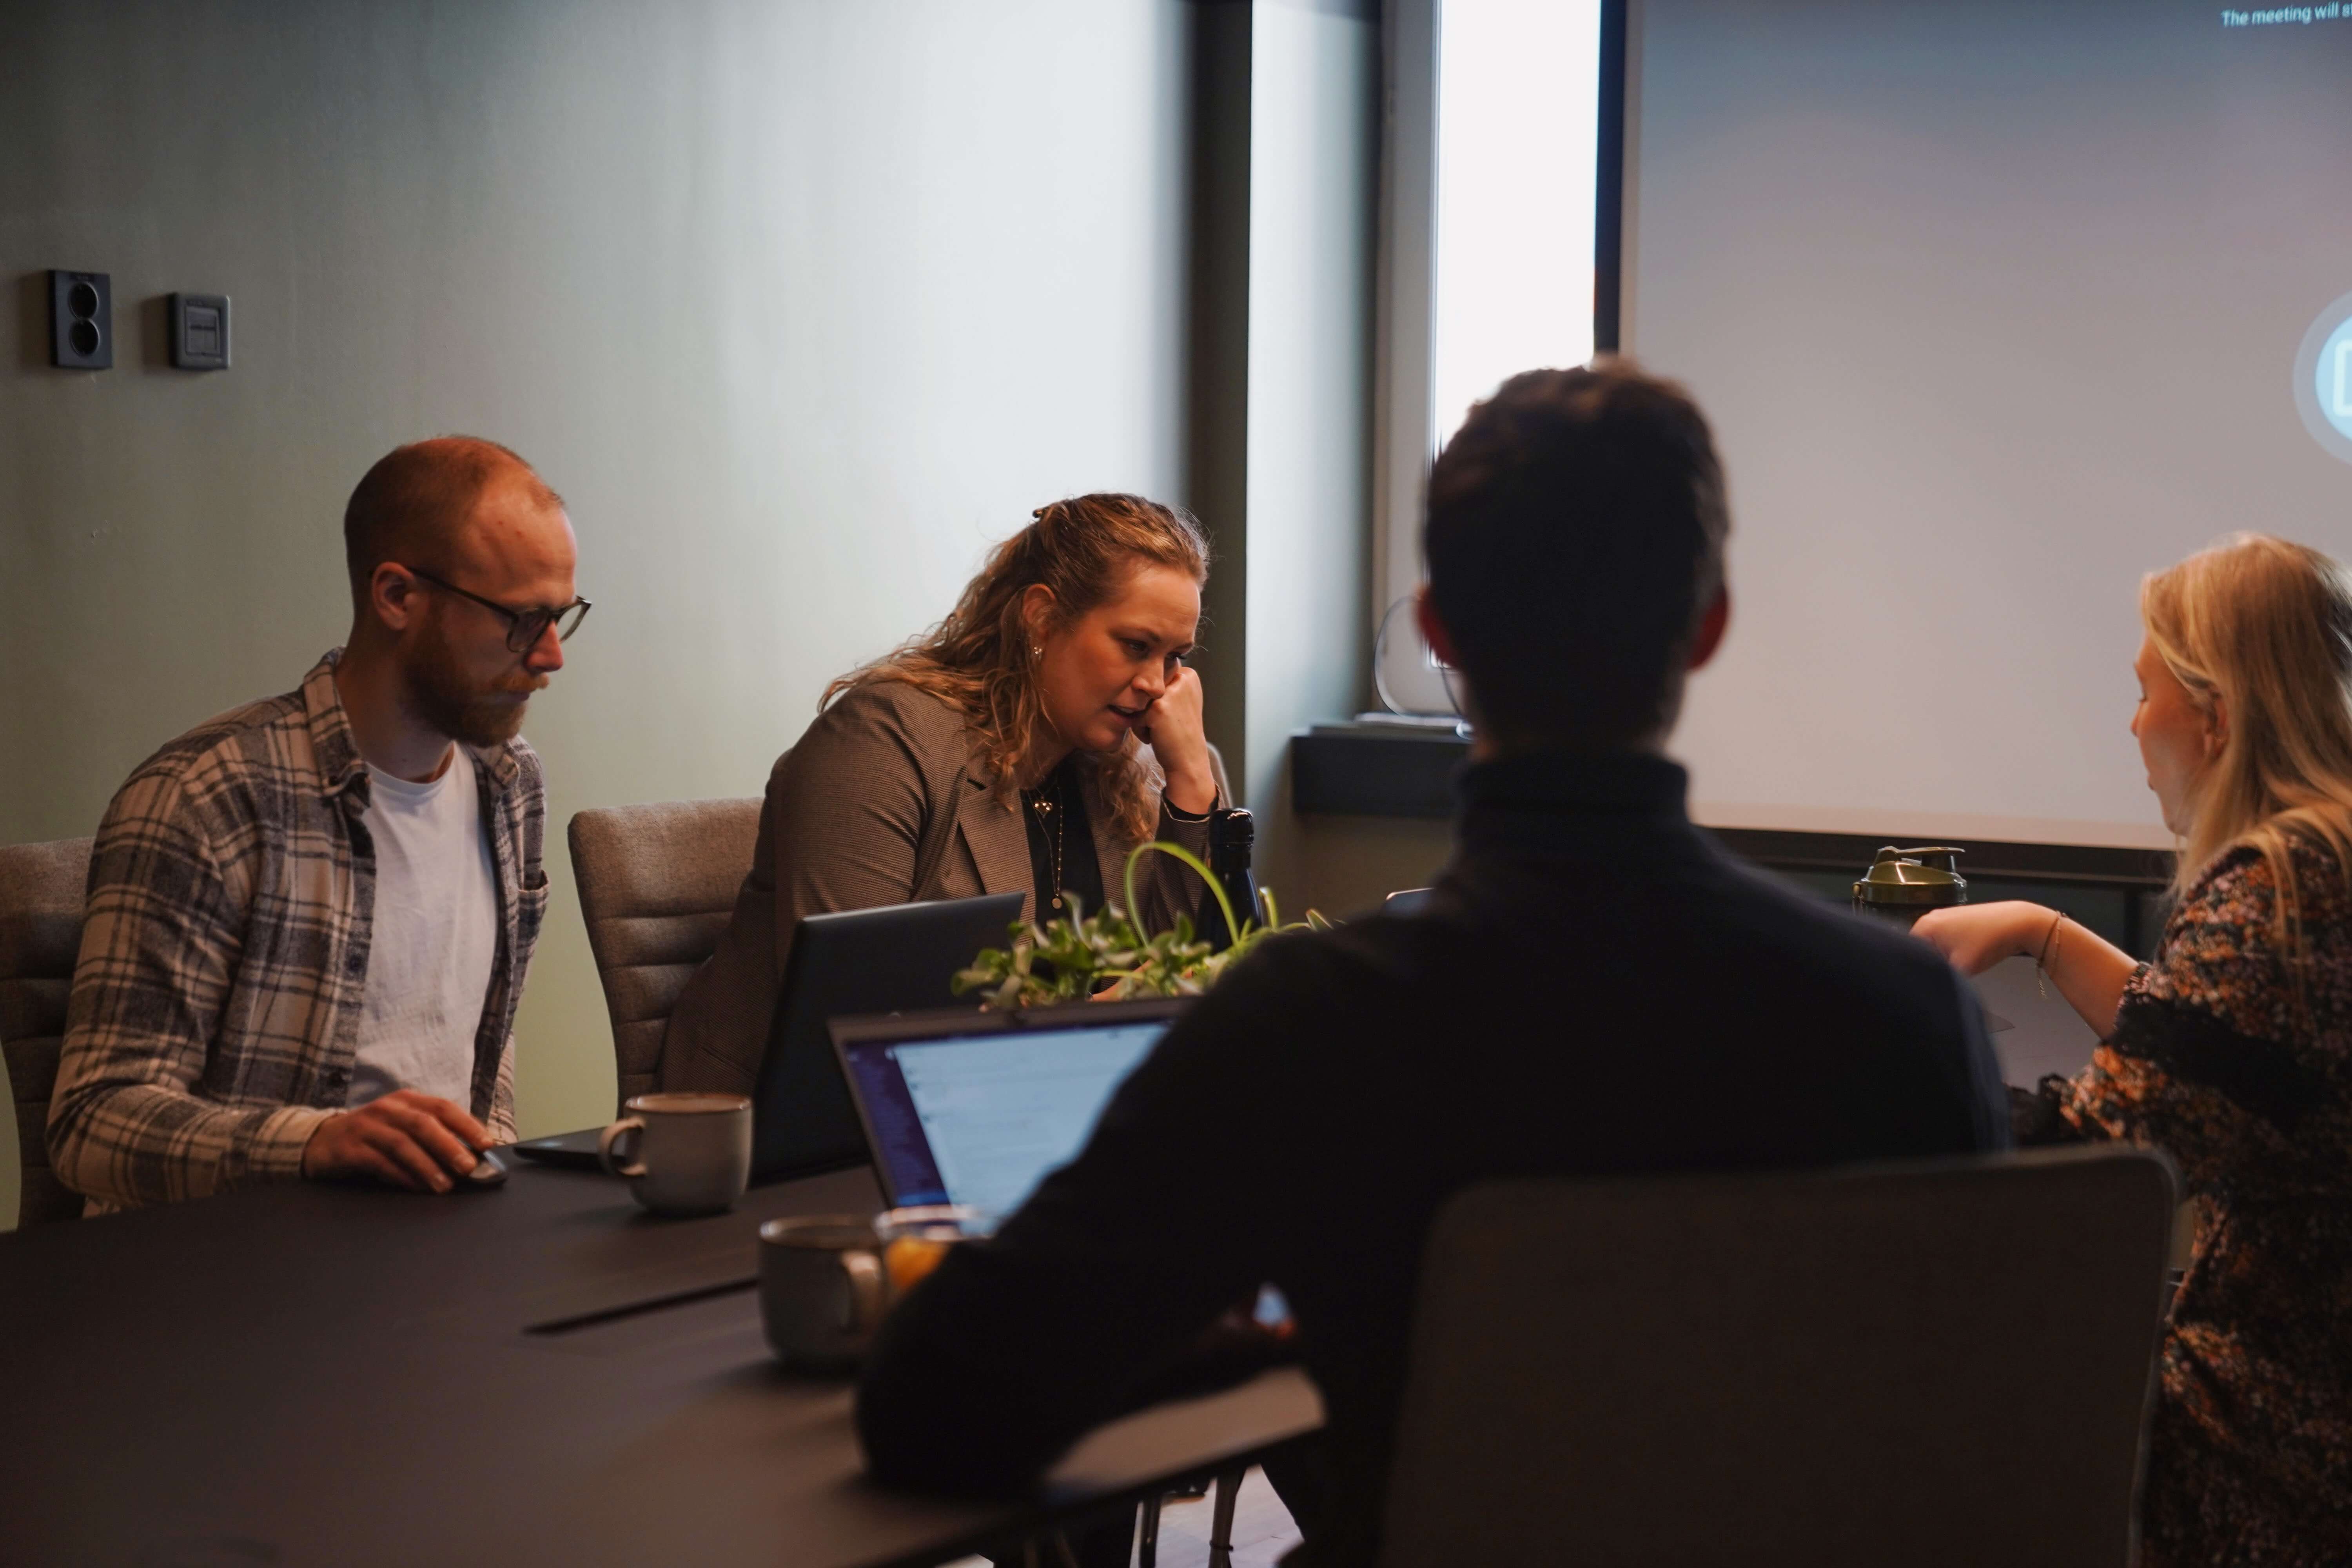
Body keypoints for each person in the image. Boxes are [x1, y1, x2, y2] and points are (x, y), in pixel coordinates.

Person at [853, 363, 2009, 1565]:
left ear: (1441, 629)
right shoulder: (1908, 1016)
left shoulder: (1308, 1029)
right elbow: (1984, 1447)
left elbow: (937, 1409)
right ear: (1708, 624)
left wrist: (1256, 1334)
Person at [1915, 534, 2352, 1566]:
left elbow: (2101, 1157)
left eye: (2145, 691)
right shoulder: (2325, 863)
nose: (2133, 722)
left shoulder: (2277, 899)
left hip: (2281, 1436)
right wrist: (2047, 932)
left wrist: (1877, 1075)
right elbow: (2228, 1061)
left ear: (2216, 717)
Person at [48, 437, 586, 1214]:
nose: (551, 654)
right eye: (523, 619)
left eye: (562, 615)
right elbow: (90, 1123)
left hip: (429, 1252)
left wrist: (488, 1166)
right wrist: (315, 1142)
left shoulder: (512, 782)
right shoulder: (207, 798)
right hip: (229, 1272)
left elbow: (478, 1052)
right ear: (397, 595)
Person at [660, 492, 1225, 1096]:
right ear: (1041, 617)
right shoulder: (882, 742)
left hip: (1051, 1116)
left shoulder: (1138, 766)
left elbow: (1195, 975)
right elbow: (855, 1022)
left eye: (1175, 658)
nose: (1155, 684)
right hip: (795, 1142)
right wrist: (1081, 1029)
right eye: (1136, 646)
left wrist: (1193, 782)